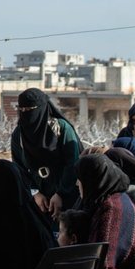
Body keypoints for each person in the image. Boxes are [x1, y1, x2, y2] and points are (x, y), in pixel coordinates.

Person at [10, 88, 81, 218]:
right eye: (22, 110)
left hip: (67, 199)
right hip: (37, 202)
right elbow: (19, 168)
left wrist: (60, 194)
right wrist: (35, 193)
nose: (25, 113)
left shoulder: (61, 129)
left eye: (29, 109)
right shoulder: (19, 134)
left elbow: (73, 163)